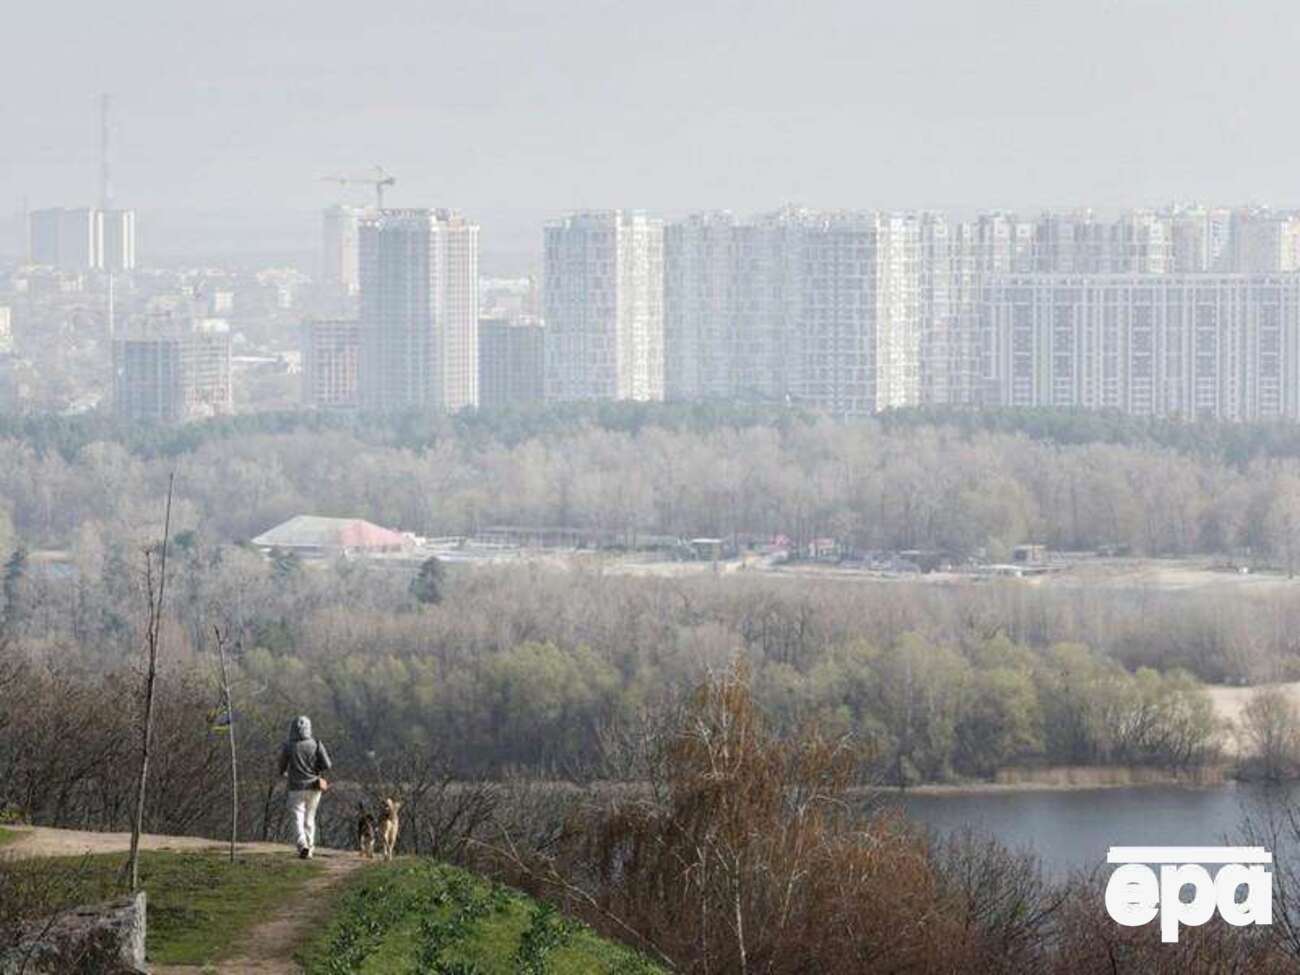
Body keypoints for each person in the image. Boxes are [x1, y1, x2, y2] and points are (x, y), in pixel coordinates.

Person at [278, 715, 332, 858]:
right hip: (314, 786)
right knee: (309, 818)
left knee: (297, 817)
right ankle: (310, 847)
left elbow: (281, 767)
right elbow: (328, 764)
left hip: (295, 787)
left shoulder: (289, 746)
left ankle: (302, 845)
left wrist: (284, 772)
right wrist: (316, 768)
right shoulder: (316, 744)